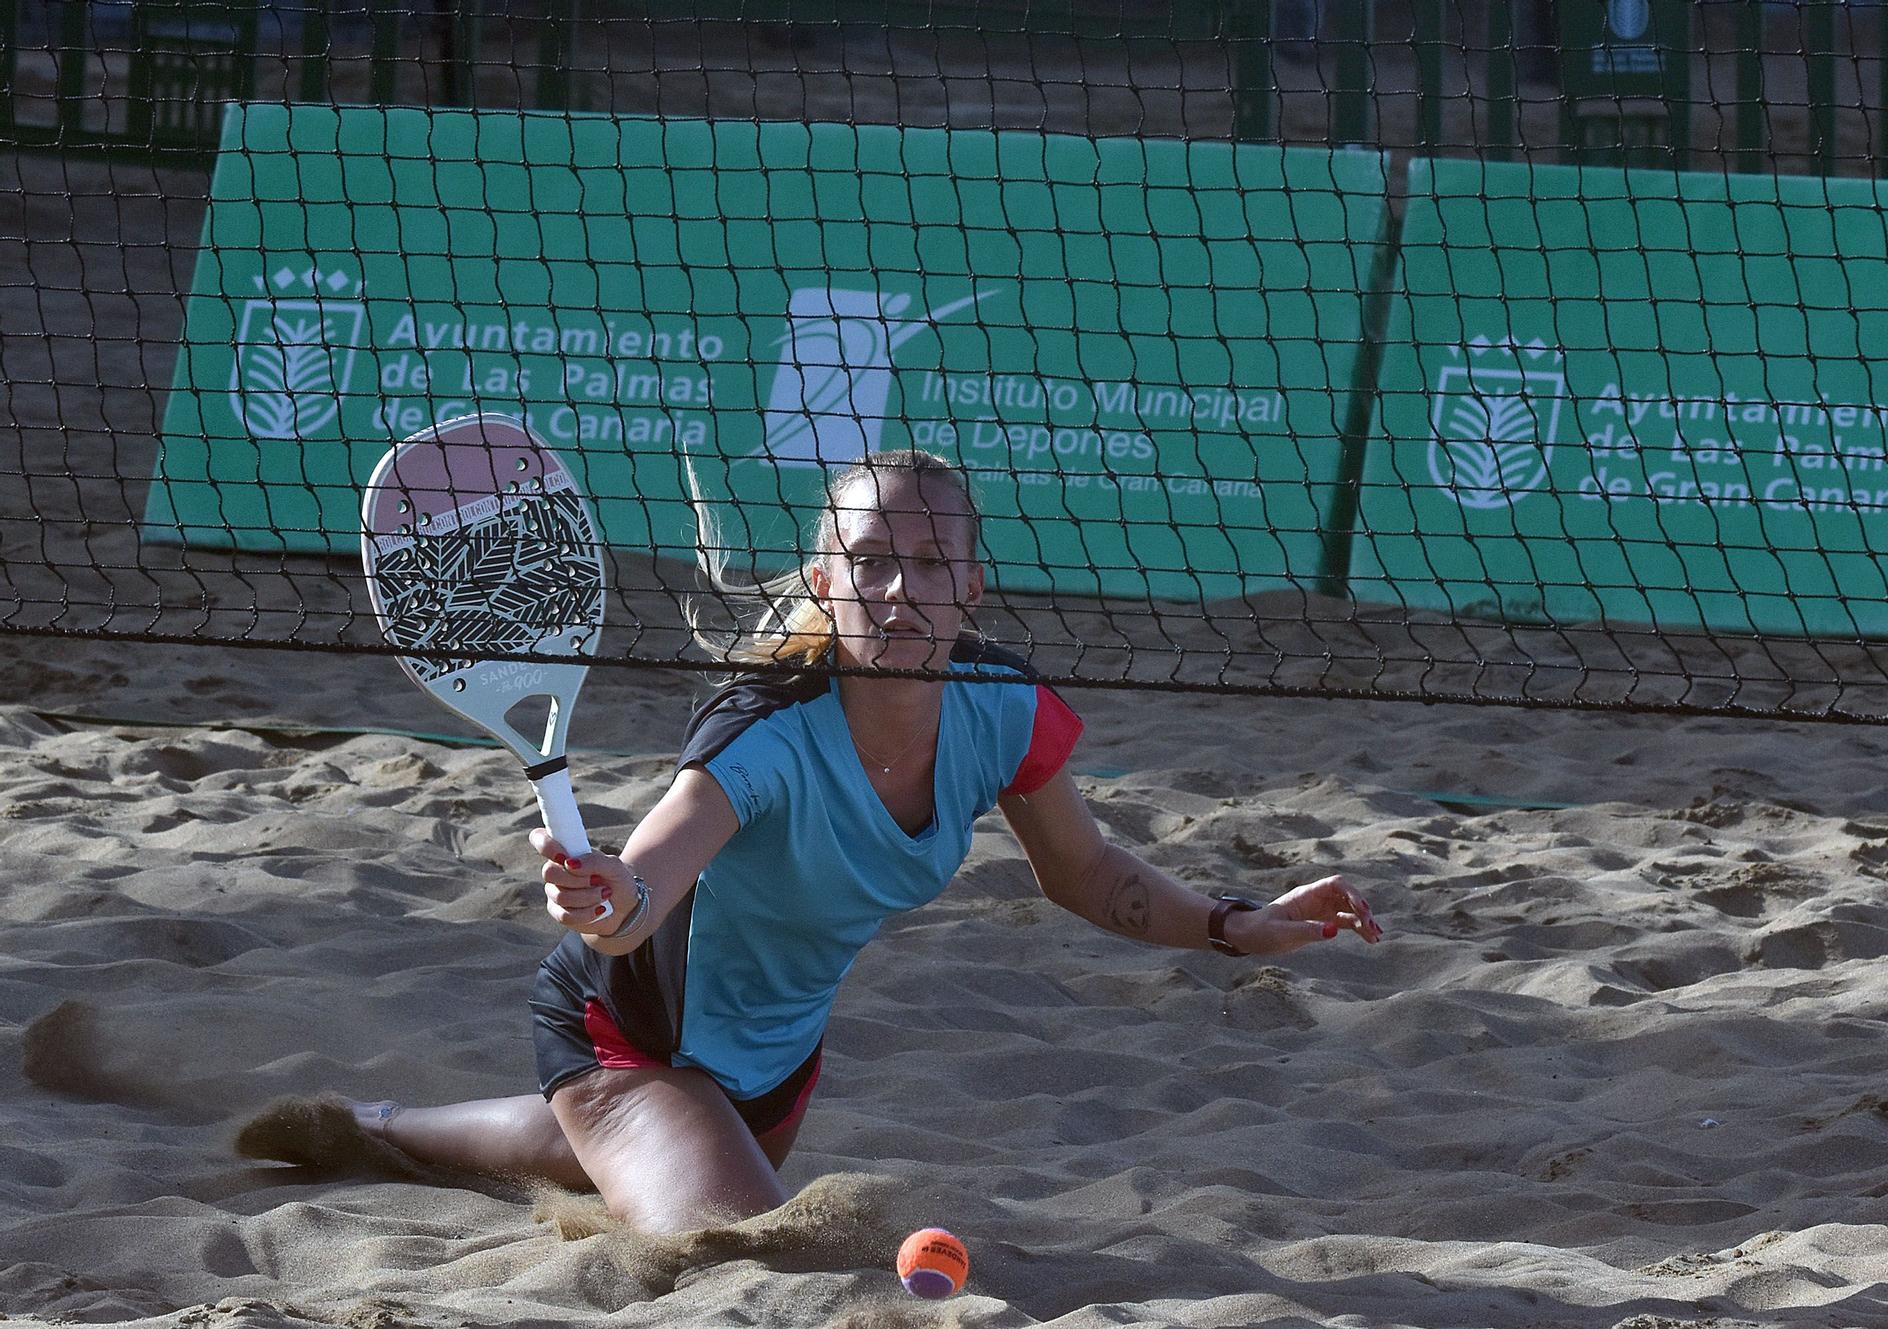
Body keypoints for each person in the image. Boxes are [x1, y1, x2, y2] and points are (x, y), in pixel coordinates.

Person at [277, 449, 1382, 1235]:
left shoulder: (1002, 708)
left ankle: (374, 1128)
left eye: (934, 563)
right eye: (870, 560)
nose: (901, 588)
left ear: (972, 586)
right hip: (632, 1033)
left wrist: (1238, 924)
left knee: (605, 1160)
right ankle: (500, 1118)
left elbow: (1088, 874)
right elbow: (651, 878)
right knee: (733, 1248)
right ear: (825, 581)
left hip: (772, 1073)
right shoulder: (763, 733)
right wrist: (606, 898)